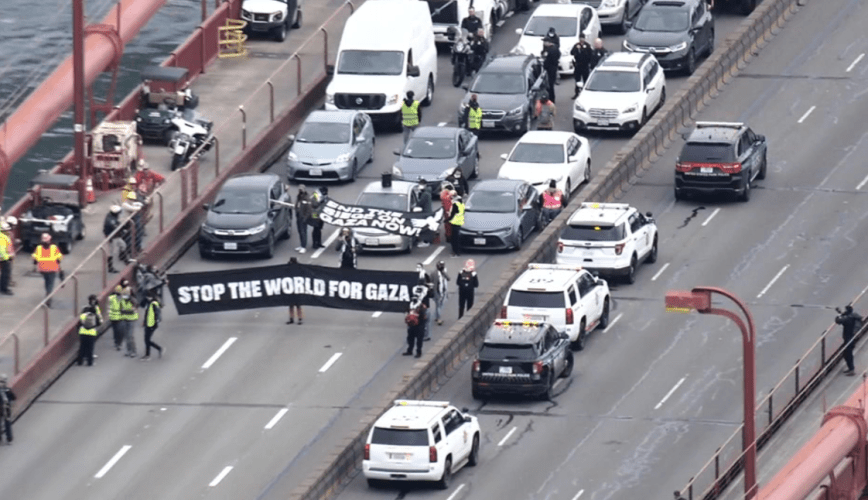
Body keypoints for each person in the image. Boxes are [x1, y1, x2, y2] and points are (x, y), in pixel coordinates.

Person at [32, 233, 62, 306]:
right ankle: (48, 297)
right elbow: (59, 257)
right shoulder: (54, 247)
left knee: (47, 282)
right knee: (50, 284)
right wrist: (58, 263)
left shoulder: (39, 248)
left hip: (43, 269)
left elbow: (35, 257)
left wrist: (36, 264)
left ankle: (48, 293)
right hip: (52, 268)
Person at [836, 305, 863, 376]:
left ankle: (851, 369)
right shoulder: (853, 317)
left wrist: (839, 314)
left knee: (847, 354)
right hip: (851, 338)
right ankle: (851, 368)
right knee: (847, 353)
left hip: (849, 339)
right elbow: (844, 316)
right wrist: (841, 313)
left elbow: (838, 320)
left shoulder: (847, 319)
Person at [76, 300, 101, 367]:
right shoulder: (95, 316)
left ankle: (79, 362)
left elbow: (79, 324)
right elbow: (98, 323)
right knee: (90, 349)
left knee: (82, 348)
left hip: (83, 333)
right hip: (91, 334)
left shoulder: (83, 315)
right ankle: (90, 362)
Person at [103, 205, 127, 273]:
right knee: (111, 253)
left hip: (116, 236)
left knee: (123, 245)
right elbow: (116, 227)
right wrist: (122, 228)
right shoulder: (110, 220)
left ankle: (124, 258)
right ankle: (110, 268)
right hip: (111, 237)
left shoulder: (112, 216)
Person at [570, 34, 593, 98]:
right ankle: (577, 93)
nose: (581, 40)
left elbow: (590, 54)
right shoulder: (576, 45)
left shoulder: (587, 45)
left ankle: (586, 93)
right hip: (578, 65)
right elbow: (571, 52)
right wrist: (576, 49)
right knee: (577, 80)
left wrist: (589, 63)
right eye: (580, 38)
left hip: (585, 65)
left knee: (586, 80)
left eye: (582, 38)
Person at [141, 292, 163, 360]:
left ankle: (149, 354)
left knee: (147, 340)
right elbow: (147, 313)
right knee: (147, 340)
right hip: (148, 324)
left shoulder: (154, 304)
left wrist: (156, 323)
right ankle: (151, 353)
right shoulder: (149, 303)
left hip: (152, 324)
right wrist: (144, 322)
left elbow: (158, 315)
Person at [120, 287, 139, 358]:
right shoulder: (122, 301)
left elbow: (133, 310)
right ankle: (128, 350)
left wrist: (125, 311)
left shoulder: (133, 301)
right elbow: (121, 309)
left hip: (131, 320)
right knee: (126, 336)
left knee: (130, 336)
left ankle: (134, 351)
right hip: (125, 319)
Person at [286, 257, 304, 325]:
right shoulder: (300, 268)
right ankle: (300, 319)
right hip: (297, 290)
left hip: (290, 290)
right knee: (298, 306)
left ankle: (291, 318)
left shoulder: (288, 268)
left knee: (291, 306)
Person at [295, 185, 312, 253]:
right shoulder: (299, 196)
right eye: (299, 189)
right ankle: (301, 245)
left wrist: (305, 218)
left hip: (303, 218)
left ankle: (304, 246)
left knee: (303, 232)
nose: (300, 191)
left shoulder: (307, 198)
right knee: (299, 231)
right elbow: (297, 205)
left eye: (301, 189)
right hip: (298, 216)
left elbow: (309, 210)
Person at [108, 285, 125, 351]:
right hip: (118, 316)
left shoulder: (111, 297)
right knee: (119, 331)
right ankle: (118, 343)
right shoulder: (122, 298)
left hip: (114, 316)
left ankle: (117, 343)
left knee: (116, 330)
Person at [0, 374, 15, 444]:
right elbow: (14, 398)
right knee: (7, 422)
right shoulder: (8, 390)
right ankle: (9, 437)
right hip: (7, 408)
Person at [433, 260, 450, 326]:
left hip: (443, 291)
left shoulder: (444, 272)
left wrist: (443, 272)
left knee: (440, 305)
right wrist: (435, 293)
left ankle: (437, 317)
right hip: (437, 292)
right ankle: (439, 319)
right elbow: (433, 284)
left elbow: (448, 278)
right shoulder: (434, 273)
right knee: (438, 306)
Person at [0, 222, 13, 295]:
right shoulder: (4, 237)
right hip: (4, 258)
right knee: (5, 274)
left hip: (3, 257)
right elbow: (2, 250)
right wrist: (7, 257)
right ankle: (4, 289)